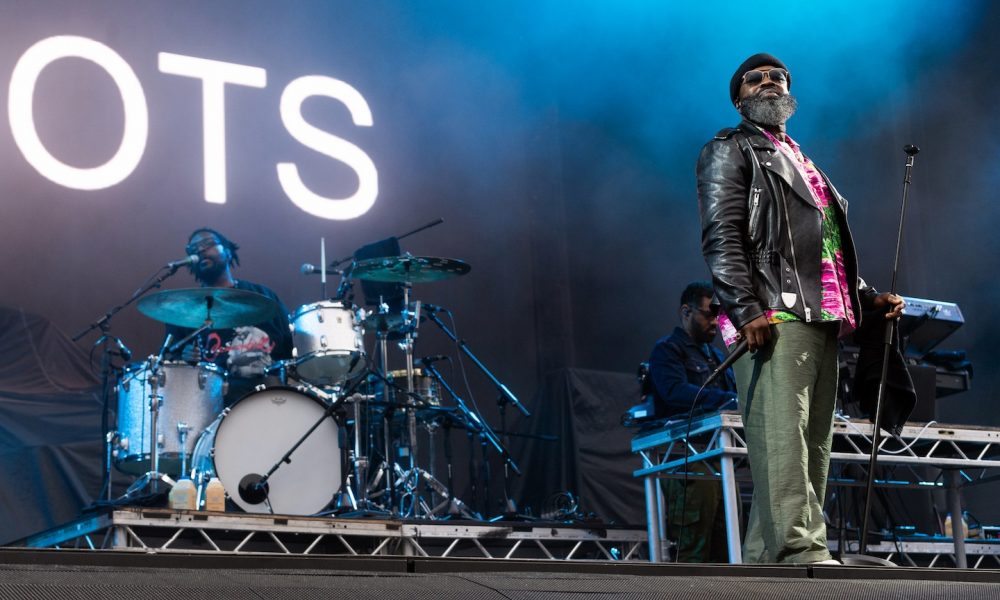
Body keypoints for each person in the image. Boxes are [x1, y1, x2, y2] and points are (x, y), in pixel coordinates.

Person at [696, 53, 905, 564]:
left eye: (778, 78)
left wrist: (866, 297)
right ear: (739, 97)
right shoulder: (731, 149)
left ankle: (769, 557)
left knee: (809, 444)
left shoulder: (802, 160)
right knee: (783, 440)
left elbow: (824, 249)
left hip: (821, 315)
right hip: (773, 312)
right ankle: (801, 548)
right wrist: (746, 310)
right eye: (755, 79)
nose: (768, 83)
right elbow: (722, 236)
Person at [647, 281, 738, 563]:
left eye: (720, 316)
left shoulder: (718, 356)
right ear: (686, 312)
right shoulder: (667, 350)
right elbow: (674, 392)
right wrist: (727, 400)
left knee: (729, 548)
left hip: (718, 459)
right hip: (685, 459)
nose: (715, 322)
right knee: (694, 551)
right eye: (709, 314)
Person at [165, 227, 293, 404]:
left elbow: (293, 345)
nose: (200, 250)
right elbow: (168, 363)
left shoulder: (263, 296)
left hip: (272, 398)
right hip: (215, 405)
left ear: (228, 251)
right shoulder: (184, 310)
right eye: (192, 249)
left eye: (207, 243)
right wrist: (183, 359)